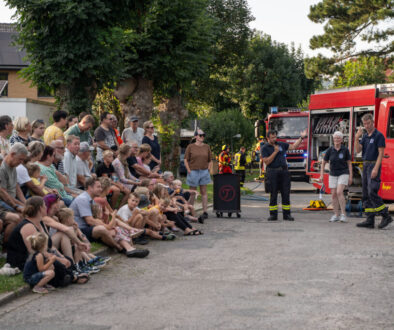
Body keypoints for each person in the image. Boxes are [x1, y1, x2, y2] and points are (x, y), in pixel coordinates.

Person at [70, 177, 149, 258]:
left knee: (114, 230)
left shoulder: (91, 199)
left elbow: (97, 219)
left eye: (101, 187)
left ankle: (130, 249)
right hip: (80, 230)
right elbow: (90, 221)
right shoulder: (83, 199)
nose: (101, 189)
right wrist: (107, 226)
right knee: (102, 229)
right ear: (90, 188)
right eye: (98, 187)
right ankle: (120, 248)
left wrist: (108, 224)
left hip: (88, 228)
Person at [354, 113, 393, 229]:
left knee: (372, 191)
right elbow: (357, 150)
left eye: (368, 123)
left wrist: (376, 168)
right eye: (365, 124)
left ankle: (386, 215)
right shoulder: (365, 136)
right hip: (365, 165)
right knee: (366, 193)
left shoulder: (378, 135)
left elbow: (381, 153)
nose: (366, 125)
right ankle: (370, 219)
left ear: (373, 122)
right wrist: (357, 138)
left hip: (373, 165)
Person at [262, 129, 307, 221]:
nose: (274, 139)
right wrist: (275, 152)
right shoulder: (265, 148)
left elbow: (293, 147)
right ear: (268, 138)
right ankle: (273, 215)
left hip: (284, 172)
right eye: (272, 138)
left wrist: (301, 138)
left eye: (275, 137)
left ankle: (287, 215)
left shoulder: (281, 144)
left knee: (286, 194)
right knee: (273, 193)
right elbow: (266, 162)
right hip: (272, 172)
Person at [320, 131, 352, 222]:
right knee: (333, 195)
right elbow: (323, 163)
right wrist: (321, 175)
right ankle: (336, 215)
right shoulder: (330, 150)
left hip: (343, 173)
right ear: (333, 139)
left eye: (338, 138)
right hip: (333, 174)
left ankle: (343, 215)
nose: (336, 140)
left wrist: (350, 176)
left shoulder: (345, 150)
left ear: (341, 140)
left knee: (339, 192)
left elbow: (349, 164)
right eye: (335, 138)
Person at [184, 129, 212, 220]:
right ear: (196, 136)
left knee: (204, 191)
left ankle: (205, 212)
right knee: (192, 192)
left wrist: (208, 169)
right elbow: (185, 159)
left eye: (203, 135)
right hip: (193, 171)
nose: (202, 137)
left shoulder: (207, 146)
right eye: (200, 135)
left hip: (204, 171)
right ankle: (191, 211)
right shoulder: (190, 147)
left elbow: (210, 160)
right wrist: (189, 170)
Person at [0, 143, 29, 212]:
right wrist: (19, 205)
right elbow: (3, 194)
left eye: (23, 160)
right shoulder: (2, 169)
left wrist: (25, 202)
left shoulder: (13, 166)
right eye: (20, 159)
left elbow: (16, 187)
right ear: (12, 154)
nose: (21, 162)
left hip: (13, 200)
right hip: (5, 202)